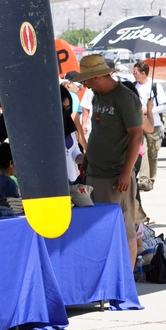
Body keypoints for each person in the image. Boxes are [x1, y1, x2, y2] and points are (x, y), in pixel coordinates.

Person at [67, 54, 144, 267]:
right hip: (95, 172)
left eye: (87, 80)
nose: (85, 85)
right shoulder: (98, 96)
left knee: (124, 225)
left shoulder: (125, 98)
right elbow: (98, 132)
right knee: (99, 225)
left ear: (98, 77)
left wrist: (126, 172)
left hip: (115, 174)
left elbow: (136, 136)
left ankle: (127, 276)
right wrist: (88, 160)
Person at [132, 62, 166, 190]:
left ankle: (151, 178)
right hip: (139, 124)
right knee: (143, 151)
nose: (133, 75)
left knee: (153, 153)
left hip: (154, 125)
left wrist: (149, 110)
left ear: (143, 73)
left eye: (135, 72)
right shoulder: (134, 87)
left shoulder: (155, 86)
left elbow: (164, 106)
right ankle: (144, 179)